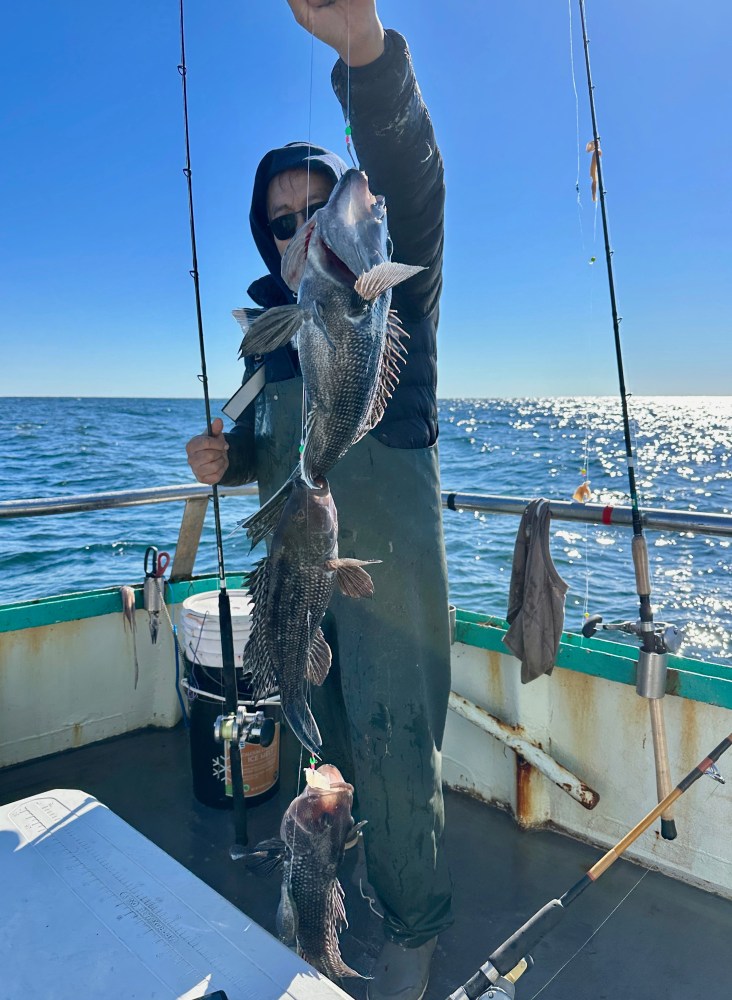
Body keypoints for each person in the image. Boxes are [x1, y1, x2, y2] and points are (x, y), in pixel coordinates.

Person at [186, 3, 452, 997]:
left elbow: (412, 180)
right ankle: (332, 916)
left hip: (391, 583)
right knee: (326, 755)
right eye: (284, 222)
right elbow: (271, 454)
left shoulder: (393, 304)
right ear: (271, 241)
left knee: (396, 760)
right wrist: (230, 461)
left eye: (318, 210)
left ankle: (413, 943)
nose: (302, 231)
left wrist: (365, 59)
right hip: (306, 571)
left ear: (351, 219)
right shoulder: (275, 337)